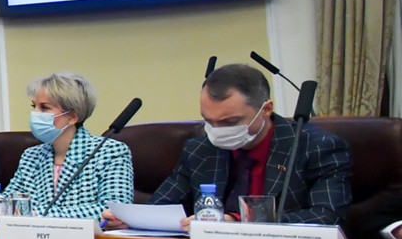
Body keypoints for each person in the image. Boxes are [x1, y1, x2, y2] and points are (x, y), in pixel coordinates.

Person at [138, 63, 350, 228]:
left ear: (266, 110)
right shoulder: (199, 150)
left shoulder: (316, 147)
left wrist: (238, 220)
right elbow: (159, 208)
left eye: (230, 122)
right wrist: (134, 220)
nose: (217, 130)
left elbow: (326, 216)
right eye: (208, 121)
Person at [3, 72, 133, 220]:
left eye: (44, 108)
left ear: (72, 117)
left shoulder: (110, 152)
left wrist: (37, 215)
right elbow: (7, 205)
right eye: (34, 106)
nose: (35, 113)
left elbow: (115, 209)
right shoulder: (31, 156)